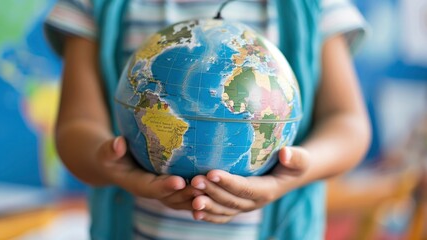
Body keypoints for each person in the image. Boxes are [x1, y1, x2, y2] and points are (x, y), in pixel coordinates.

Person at [44, 0, 371, 239]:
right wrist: (109, 166)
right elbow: (75, 127)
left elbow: (349, 123)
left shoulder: (315, 6)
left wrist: (298, 171)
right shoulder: (93, 5)